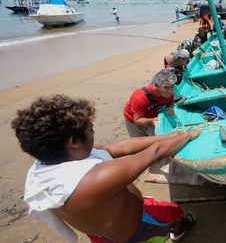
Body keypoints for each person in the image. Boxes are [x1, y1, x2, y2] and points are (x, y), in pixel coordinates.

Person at [13, 94, 201, 243]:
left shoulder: (49, 165)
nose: (93, 134)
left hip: (103, 234)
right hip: (140, 226)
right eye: (90, 130)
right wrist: (188, 135)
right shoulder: (94, 180)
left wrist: (170, 136)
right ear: (73, 141)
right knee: (174, 213)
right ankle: (180, 230)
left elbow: (123, 147)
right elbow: (156, 153)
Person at [124, 69, 176, 138]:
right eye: (166, 87)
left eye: (172, 86)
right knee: (140, 142)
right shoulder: (139, 97)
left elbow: (171, 102)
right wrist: (151, 121)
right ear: (156, 85)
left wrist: (170, 108)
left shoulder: (169, 93)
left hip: (152, 116)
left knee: (155, 138)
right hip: (134, 119)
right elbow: (137, 120)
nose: (170, 91)